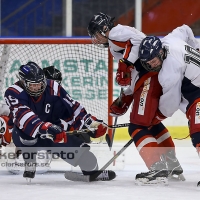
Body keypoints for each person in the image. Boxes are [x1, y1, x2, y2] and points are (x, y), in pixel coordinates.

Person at [87, 12, 184, 185]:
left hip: (150, 78)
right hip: (147, 79)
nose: (95, 38)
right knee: (150, 123)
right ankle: (172, 164)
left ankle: (157, 168)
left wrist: (125, 64)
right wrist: (125, 97)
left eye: (95, 34)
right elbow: (131, 74)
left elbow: (138, 41)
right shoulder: (113, 43)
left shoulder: (116, 32)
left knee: (137, 125)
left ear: (104, 28)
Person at [4, 61, 116, 181]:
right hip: (25, 135)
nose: (37, 87)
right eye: (32, 85)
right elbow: (23, 116)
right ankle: (30, 160)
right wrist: (46, 127)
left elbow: (72, 108)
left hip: (54, 133)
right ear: (23, 82)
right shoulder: (13, 92)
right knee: (26, 137)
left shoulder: (53, 86)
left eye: (40, 83)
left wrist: (90, 123)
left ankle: (92, 171)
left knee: (88, 157)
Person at [138, 25, 200, 179]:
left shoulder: (168, 71)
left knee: (199, 134)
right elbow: (185, 29)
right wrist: (196, 47)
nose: (152, 65)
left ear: (160, 53)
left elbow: (170, 105)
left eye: (153, 61)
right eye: (148, 63)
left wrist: (155, 117)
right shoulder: (170, 40)